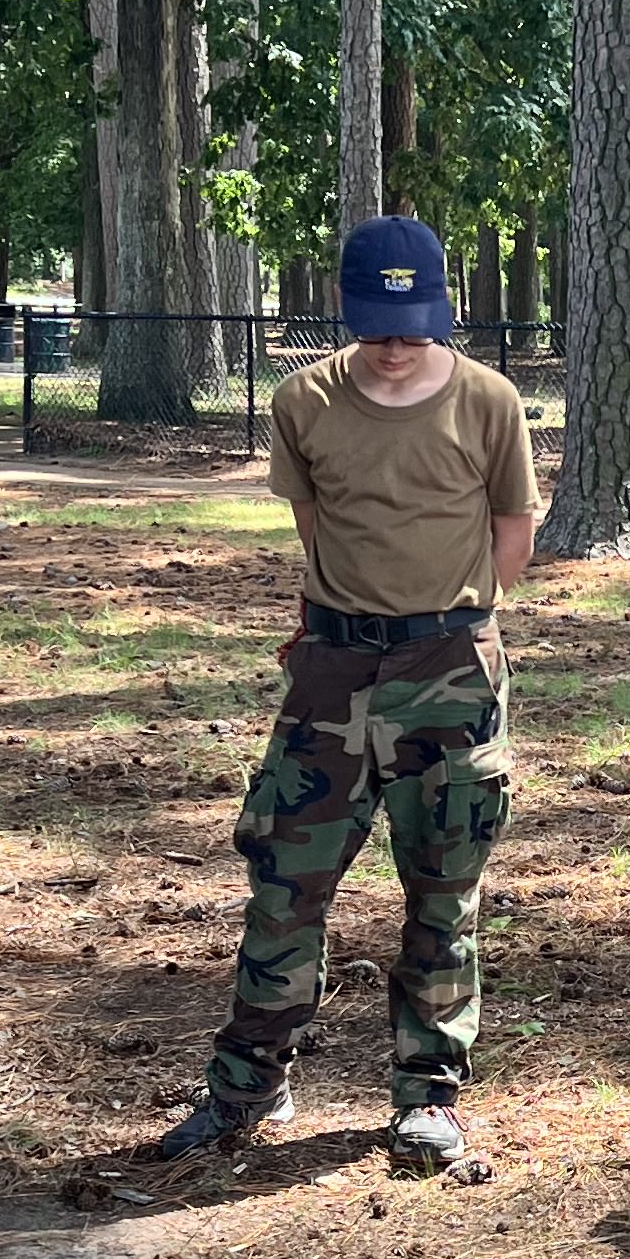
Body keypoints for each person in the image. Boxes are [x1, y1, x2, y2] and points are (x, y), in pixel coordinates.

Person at [157, 216, 536, 1173]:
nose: (395, 347)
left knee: (443, 889)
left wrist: (445, 622)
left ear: (442, 311)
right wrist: (355, 624)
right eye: (376, 328)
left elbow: (512, 534)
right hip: (331, 672)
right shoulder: (305, 401)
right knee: (286, 880)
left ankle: (429, 1096)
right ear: (346, 310)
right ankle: (249, 1084)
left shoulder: (489, 402)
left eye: (413, 328)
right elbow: (314, 523)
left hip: (449, 670)